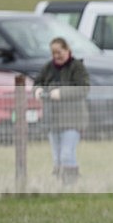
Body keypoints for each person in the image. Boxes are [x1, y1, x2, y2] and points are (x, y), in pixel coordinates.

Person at [34, 37, 90, 186]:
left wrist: (61, 93)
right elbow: (38, 82)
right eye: (53, 53)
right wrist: (38, 90)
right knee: (57, 157)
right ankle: (60, 184)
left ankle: (70, 184)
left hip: (72, 120)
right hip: (52, 120)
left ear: (67, 50)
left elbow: (84, 89)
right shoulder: (48, 67)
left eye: (59, 52)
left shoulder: (77, 67)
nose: (56, 56)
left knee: (66, 154)